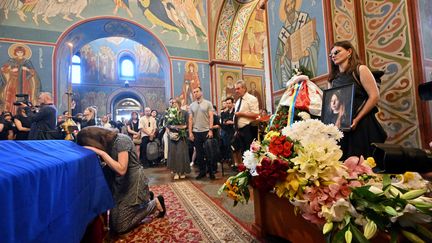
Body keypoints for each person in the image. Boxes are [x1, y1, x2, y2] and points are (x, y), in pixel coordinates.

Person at [76, 127, 166, 234]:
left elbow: (121, 169)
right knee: (113, 225)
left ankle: (154, 204)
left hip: (132, 181)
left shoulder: (121, 140)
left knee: (120, 227)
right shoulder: (106, 144)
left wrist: (102, 153)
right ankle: (144, 198)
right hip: (119, 184)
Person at [328, 40, 385, 159]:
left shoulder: (360, 69)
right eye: (331, 54)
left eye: (337, 52)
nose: (333, 56)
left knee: (365, 163)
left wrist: (357, 119)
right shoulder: (333, 79)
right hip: (342, 127)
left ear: (349, 52)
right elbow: (331, 105)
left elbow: (374, 96)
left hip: (362, 124)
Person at [274, 0, 319, 89]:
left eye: (292, 3)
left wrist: (306, 52)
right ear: (285, 9)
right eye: (287, 6)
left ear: (295, 4)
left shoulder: (304, 18)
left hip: (307, 72)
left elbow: (316, 40)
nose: (290, 7)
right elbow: (278, 58)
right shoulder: (282, 34)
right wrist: (284, 57)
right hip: (292, 79)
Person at [0, 44, 40, 112]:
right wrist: (10, 70)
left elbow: (33, 72)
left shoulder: (27, 61)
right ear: (15, 53)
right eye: (18, 52)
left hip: (24, 83)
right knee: (11, 95)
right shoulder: (11, 61)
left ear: (23, 53)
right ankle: (11, 111)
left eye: (21, 52)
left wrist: (26, 69)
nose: (20, 53)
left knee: (25, 96)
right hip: (13, 82)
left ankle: (25, 111)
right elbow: (3, 69)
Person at [188, 87, 214, 180]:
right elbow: (190, 119)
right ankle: (202, 172)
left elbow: (211, 117)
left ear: (201, 92)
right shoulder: (191, 105)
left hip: (206, 131)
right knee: (199, 154)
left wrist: (211, 130)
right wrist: (190, 132)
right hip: (196, 132)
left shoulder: (208, 103)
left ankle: (211, 172)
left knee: (209, 153)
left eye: (197, 91)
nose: (195, 93)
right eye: (194, 92)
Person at [232, 80, 260, 166]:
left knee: (249, 153)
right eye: (235, 89)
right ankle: (246, 170)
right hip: (239, 130)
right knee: (243, 152)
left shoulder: (252, 99)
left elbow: (256, 114)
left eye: (238, 88)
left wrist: (241, 114)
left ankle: (252, 171)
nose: (236, 91)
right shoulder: (238, 101)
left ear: (244, 88)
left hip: (249, 129)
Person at [167, 99, 191, 179]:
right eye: (172, 103)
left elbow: (188, 124)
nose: (173, 104)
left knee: (181, 154)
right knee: (174, 154)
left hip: (182, 136)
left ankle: (183, 171)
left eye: (174, 103)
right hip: (173, 136)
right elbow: (167, 125)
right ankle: (176, 172)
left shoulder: (185, 113)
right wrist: (172, 127)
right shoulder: (170, 113)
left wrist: (182, 127)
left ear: (179, 103)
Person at [220, 97, 235, 168]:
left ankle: (237, 163)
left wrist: (232, 122)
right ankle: (232, 162)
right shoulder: (225, 113)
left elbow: (237, 122)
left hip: (235, 132)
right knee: (229, 148)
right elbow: (222, 124)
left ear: (232, 103)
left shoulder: (235, 111)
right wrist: (225, 123)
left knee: (236, 149)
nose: (228, 105)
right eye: (227, 103)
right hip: (227, 133)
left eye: (229, 103)